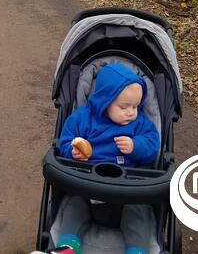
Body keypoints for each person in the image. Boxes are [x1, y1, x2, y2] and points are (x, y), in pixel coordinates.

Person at [59, 63, 160, 254]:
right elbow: (66, 140)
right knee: (74, 206)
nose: (132, 112)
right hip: (87, 184)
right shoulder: (83, 119)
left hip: (128, 189)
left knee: (139, 212)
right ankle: (67, 247)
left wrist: (135, 146)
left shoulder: (139, 124)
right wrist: (72, 152)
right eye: (124, 107)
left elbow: (153, 146)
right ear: (105, 101)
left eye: (136, 106)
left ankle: (136, 251)